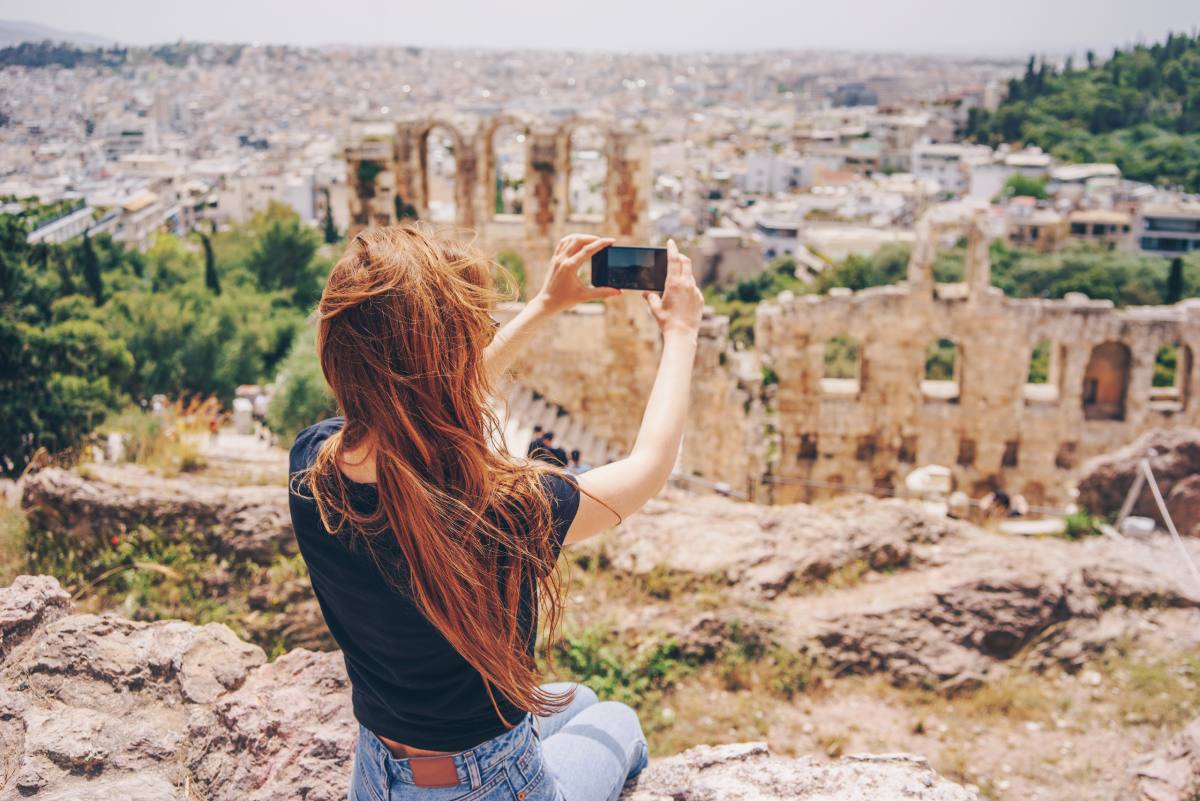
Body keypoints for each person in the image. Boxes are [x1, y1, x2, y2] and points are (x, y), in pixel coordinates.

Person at [288, 226, 703, 801]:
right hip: (490, 784)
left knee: (578, 699)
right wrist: (681, 334)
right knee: (618, 718)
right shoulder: (503, 508)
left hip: (380, 772)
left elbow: (419, 399)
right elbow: (650, 467)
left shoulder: (313, 467)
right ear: (452, 357)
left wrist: (543, 306)